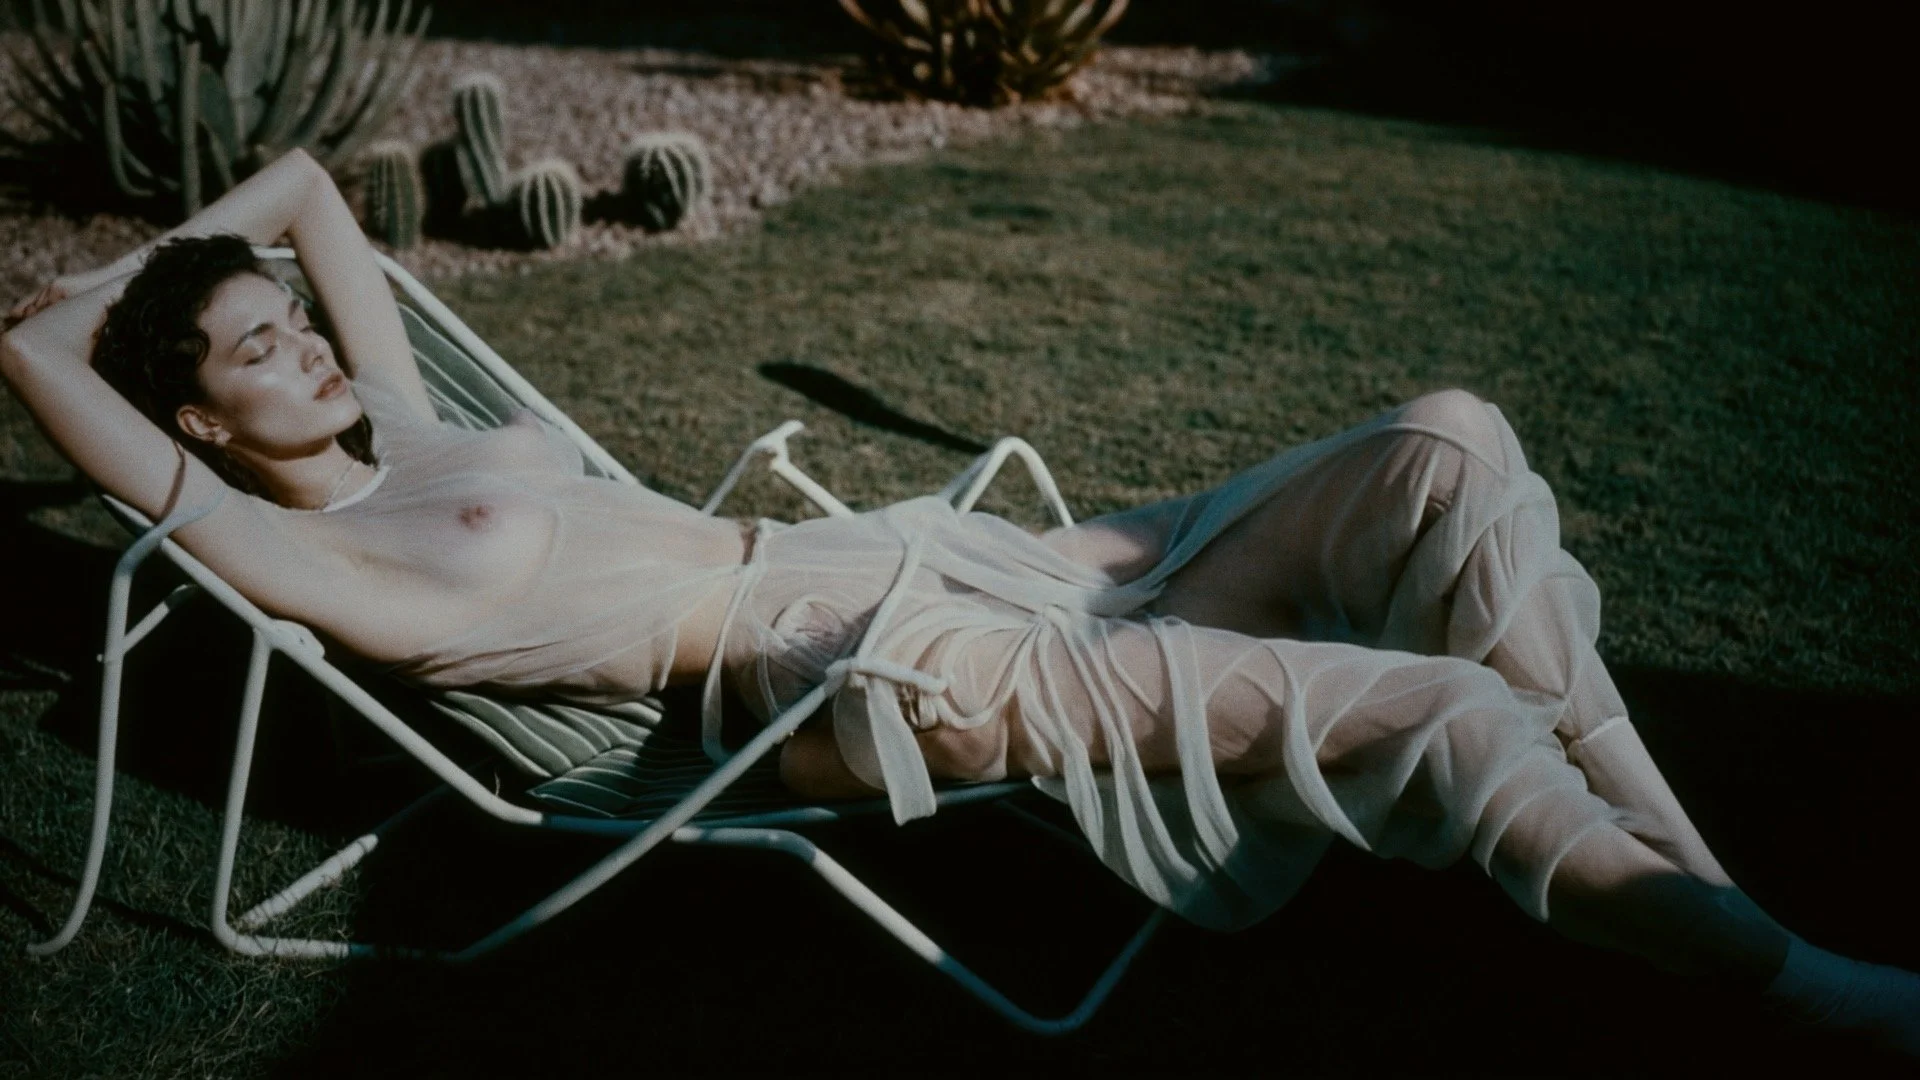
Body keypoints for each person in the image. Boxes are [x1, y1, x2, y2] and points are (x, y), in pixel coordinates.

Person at [3, 149, 1914, 1055]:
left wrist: (220, 252)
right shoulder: (304, 556)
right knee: (1431, 711)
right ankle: (1815, 995)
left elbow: (322, 198)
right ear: (193, 422)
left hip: (923, 558)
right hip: (817, 676)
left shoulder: (415, 434)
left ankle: (1692, 878)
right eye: (260, 354)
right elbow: (36, 348)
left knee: (1444, 440)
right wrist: (142, 335)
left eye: (296, 333)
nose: (316, 355)